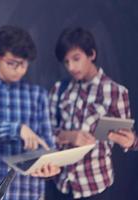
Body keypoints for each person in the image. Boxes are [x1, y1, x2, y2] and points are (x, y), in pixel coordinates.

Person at [0, 25, 59, 200]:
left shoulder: (38, 96)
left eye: (24, 64)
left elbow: (48, 145)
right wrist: (16, 129)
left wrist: (50, 166)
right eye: (12, 63)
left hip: (30, 193)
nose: (19, 70)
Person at [47, 27, 132, 200]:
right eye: (66, 62)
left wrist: (130, 141)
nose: (71, 67)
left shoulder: (116, 92)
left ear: (91, 54)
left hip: (95, 185)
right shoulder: (59, 89)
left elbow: (128, 139)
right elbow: (45, 132)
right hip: (61, 185)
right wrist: (68, 136)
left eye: (76, 59)